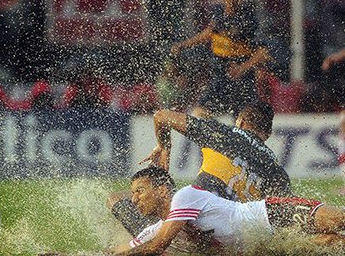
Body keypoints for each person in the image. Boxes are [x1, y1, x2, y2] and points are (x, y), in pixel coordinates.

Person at [109, 101, 292, 238]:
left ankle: (157, 244)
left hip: (192, 227)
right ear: (267, 135)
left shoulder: (222, 134)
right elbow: (283, 220)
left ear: (241, 122)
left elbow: (161, 116)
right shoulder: (277, 172)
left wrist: (164, 147)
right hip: (230, 237)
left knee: (115, 199)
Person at [108, 167, 345, 255]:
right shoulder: (160, 227)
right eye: (132, 195)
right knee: (334, 244)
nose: (134, 200)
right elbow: (126, 249)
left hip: (269, 213)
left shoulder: (184, 196)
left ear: (162, 190)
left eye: (139, 191)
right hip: (267, 245)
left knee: (339, 220)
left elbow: (157, 245)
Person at [171, 0, 271, 118]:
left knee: (243, 119)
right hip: (219, 76)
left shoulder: (249, 17)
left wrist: (242, 68)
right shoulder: (219, 11)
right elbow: (210, 32)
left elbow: (262, 51)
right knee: (200, 111)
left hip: (241, 81)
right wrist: (184, 44)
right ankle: (213, 136)